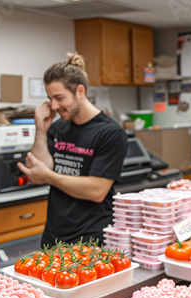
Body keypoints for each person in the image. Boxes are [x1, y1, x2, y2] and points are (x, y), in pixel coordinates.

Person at [18, 52, 127, 247]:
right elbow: (38, 169)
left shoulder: (110, 132)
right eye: (50, 98)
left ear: (80, 91)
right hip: (54, 235)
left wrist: (49, 177)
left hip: (92, 238)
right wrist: (41, 131)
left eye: (59, 98)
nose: (53, 105)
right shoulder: (59, 127)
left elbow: (96, 191)